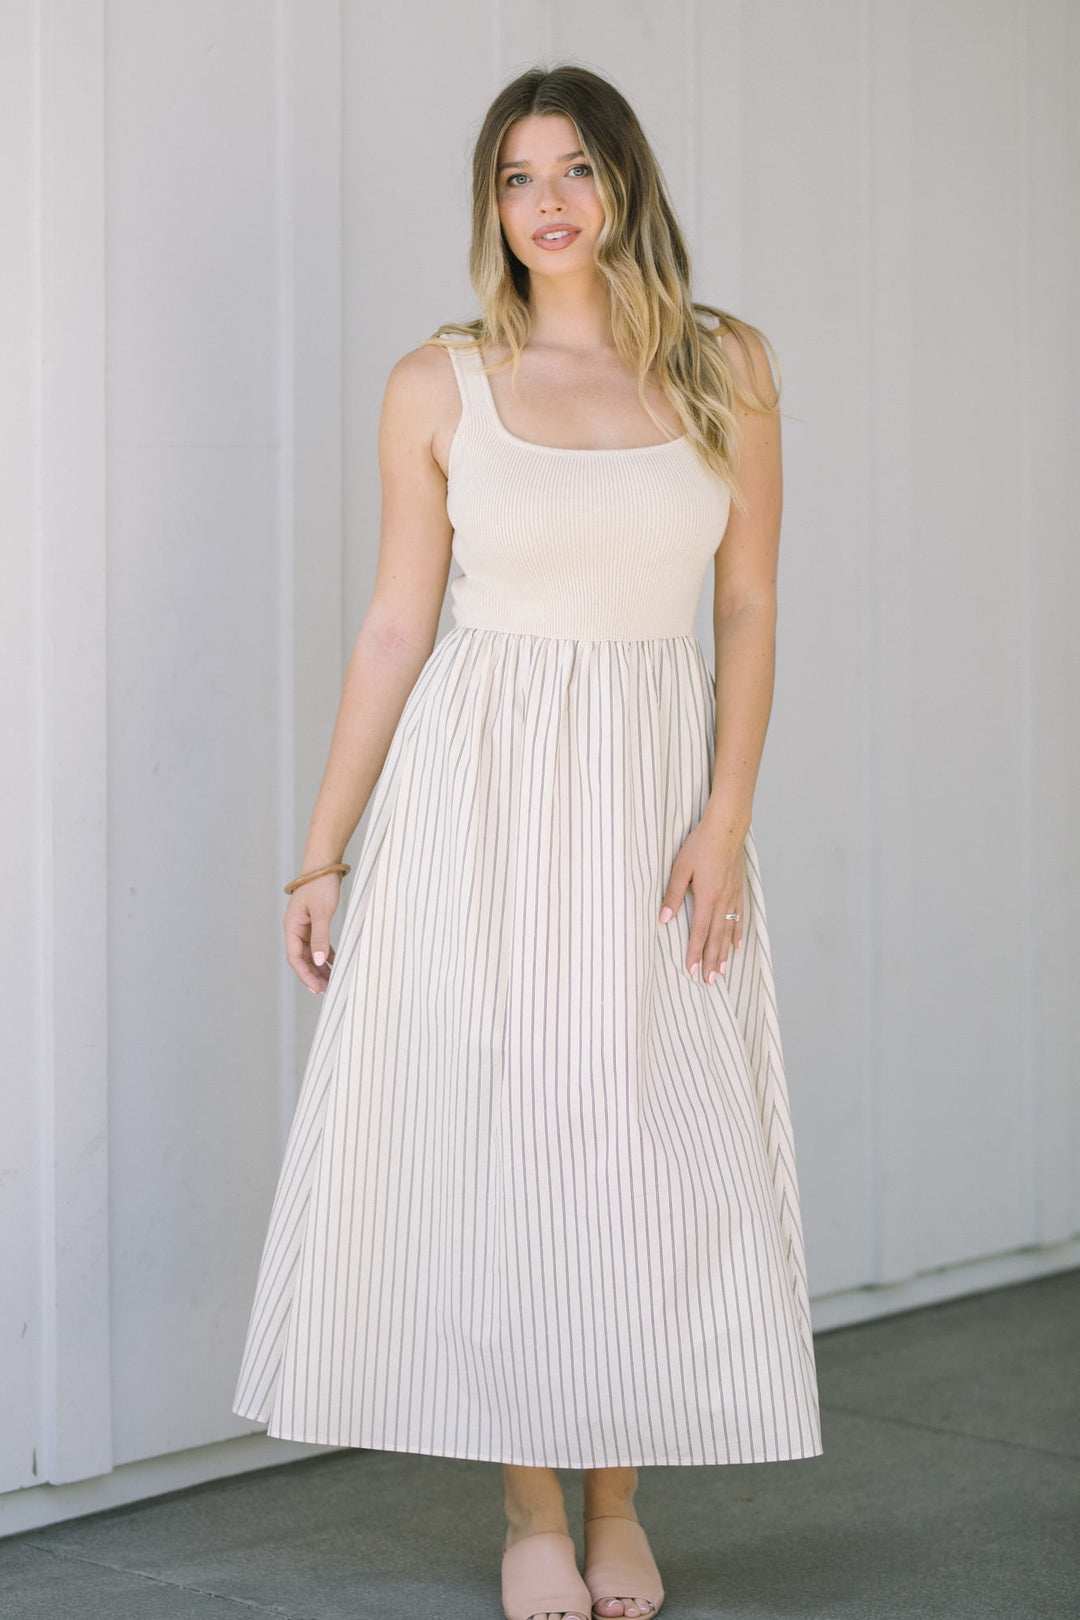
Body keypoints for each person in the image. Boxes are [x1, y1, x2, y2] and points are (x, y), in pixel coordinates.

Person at [232, 61, 822, 1620]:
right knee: (503, 1140)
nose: (545, 201)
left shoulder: (726, 368)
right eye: (514, 176)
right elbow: (391, 625)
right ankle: (526, 1510)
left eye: (571, 168)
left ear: (623, 181)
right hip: (477, 797)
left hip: (650, 796)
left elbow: (749, 602)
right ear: (492, 205)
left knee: (640, 1140)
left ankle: (619, 1498)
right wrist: (320, 850)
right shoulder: (442, 381)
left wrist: (727, 812)